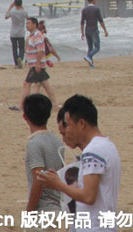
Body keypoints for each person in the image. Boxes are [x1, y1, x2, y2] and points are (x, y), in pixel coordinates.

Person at [37, 95, 121, 232]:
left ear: (81, 124)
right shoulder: (108, 146)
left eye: (68, 125)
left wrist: (58, 184)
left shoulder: (93, 151)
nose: (67, 132)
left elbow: (88, 196)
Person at [22, 94, 65, 213]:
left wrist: (29, 211)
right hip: (58, 205)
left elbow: (39, 180)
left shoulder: (34, 144)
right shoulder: (57, 140)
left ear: (25, 116)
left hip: (43, 208)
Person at [21, 17, 56, 108]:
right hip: (34, 64)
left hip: (36, 65)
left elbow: (40, 51)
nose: (26, 25)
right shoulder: (31, 36)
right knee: (45, 85)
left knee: (27, 84)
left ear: (34, 24)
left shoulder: (37, 35)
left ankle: (22, 106)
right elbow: (30, 49)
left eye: (28, 23)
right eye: (26, 23)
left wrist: (37, 64)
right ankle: (54, 103)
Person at [80, 0, 108, 68]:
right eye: (95, 0)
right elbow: (101, 21)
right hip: (94, 30)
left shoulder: (84, 10)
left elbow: (82, 22)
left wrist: (82, 33)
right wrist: (105, 30)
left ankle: (91, 64)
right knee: (97, 47)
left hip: (87, 30)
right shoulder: (96, 9)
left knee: (90, 47)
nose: (96, 1)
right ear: (93, 0)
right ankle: (88, 56)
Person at [6, 0, 28, 68]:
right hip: (21, 33)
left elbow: (6, 17)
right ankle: (20, 59)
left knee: (14, 49)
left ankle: (16, 64)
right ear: (21, 4)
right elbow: (28, 18)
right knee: (21, 48)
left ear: (14, 4)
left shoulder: (12, 12)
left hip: (13, 33)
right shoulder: (24, 12)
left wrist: (10, 7)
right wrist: (23, 8)